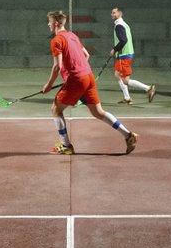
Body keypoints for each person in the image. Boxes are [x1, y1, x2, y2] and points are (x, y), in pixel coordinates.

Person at [44, 10, 137, 155]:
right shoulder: (72, 36)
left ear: (56, 23)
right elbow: (86, 54)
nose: (48, 24)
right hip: (88, 75)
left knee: (56, 109)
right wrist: (79, 71)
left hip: (77, 79)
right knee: (98, 112)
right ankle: (128, 135)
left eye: (49, 22)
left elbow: (58, 66)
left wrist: (49, 85)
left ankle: (65, 145)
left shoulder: (56, 40)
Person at [110, 7, 155, 104]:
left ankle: (148, 88)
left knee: (126, 80)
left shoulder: (119, 25)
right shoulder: (124, 24)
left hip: (124, 55)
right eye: (112, 13)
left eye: (114, 13)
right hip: (126, 53)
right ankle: (127, 98)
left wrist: (115, 49)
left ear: (120, 13)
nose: (112, 14)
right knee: (117, 75)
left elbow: (123, 40)